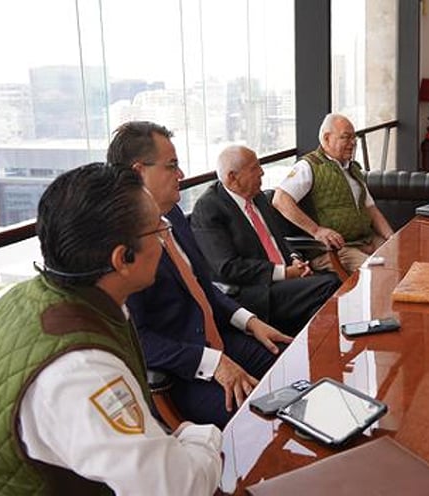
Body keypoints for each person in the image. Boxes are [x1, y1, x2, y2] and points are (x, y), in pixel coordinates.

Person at [0, 164, 222, 495]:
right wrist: (203, 436)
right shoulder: (81, 371)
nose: (164, 239)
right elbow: (177, 488)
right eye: (159, 229)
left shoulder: (21, 299)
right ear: (122, 259)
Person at [107, 121, 292, 429]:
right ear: (139, 171)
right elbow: (139, 339)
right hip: (181, 371)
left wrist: (251, 321)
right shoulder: (123, 244)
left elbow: (202, 287)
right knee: (258, 423)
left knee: (290, 367)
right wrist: (212, 363)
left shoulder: (174, 215)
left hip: (218, 339)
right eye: (172, 166)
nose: (181, 175)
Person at [191, 145, 341, 336]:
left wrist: (295, 258)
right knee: (329, 284)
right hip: (254, 292)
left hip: (285, 281)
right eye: (254, 168)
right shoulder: (209, 209)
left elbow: (278, 239)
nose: (261, 172)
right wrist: (283, 273)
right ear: (232, 177)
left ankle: (313, 354)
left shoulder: (258, 196)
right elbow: (227, 267)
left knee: (318, 308)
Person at [272, 113, 394, 274]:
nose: (353, 143)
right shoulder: (308, 166)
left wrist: (392, 238)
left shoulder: (353, 169)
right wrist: (316, 231)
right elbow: (280, 200)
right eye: (346, 137)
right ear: (327, 138)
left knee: (402, 258)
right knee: (377, 272)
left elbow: (371, 209)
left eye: (354, 138)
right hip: (335, 250)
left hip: (366, 240)